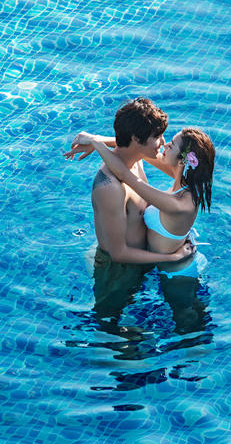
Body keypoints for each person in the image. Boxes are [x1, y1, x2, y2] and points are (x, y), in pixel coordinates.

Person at [63, 98, 195, 324]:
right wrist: (170, 257)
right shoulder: (110, 187)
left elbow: (129, 148)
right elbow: (118, 253)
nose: (163, 143)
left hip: (143, 261)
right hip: (118, 272)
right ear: (136, 139)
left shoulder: (138, 160)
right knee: (112, 329)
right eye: (157, 136)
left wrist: (96, 141)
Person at [70, 126, 215, 282]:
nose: (165, 145)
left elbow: (123, 174)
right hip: (166, 262)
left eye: (172, 145)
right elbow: (140, 150)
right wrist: (98, 140)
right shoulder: (186, 181)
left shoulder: (179, 204)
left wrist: (95, 142)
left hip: (177, 271)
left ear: (182, 161)